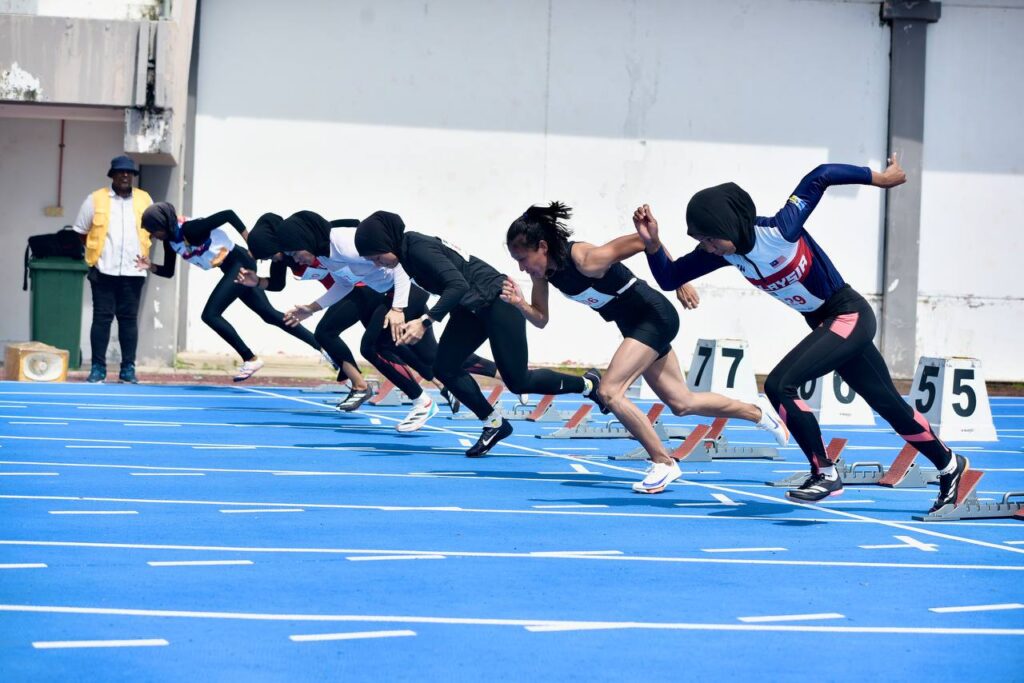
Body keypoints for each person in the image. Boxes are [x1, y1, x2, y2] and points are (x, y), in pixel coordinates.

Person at [636, 156, 969, 512]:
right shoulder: (723, 255)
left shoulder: (780, 230)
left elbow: (821, 176)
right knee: (889, 405)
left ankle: (824, 472)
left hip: (848, 313)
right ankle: (951, 465)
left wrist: (881, 179)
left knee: (779, 384)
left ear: (731, 226)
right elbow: (671, 278)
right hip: (825, 322)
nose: (706, 246)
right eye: (701, 240)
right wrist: (653, 244)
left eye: (710, 238)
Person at [504, 203, 788, 493]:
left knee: (609, 391)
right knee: (682, 403)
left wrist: (677, 279)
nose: (521, 267)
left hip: (653, 317)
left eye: (522, 258)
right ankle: (757, 411)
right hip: (633, 326)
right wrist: (520, 303)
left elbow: (645, 241)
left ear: (542, 246)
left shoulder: (586, 258)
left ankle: (663, 462)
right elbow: (540, 319)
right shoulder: (544, 275)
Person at [354, 210, 607, 456]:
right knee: (444, 367)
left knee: (518, 381)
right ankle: (494, 423)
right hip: (470, 308)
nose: (377, 263)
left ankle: (587, 384)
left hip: (497, 301)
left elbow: (457, 284)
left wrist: (426, 321)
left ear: (388, 242)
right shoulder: (406, 254)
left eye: (377, 256)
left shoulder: (418, 248)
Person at [273, 210, 499, 430]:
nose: (295, 258)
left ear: (304, 238)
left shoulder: (344, 243)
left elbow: (400, 264)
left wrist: (398, 308)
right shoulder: (325, 255)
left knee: (374, 346)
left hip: (407, 290)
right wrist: (312, 308)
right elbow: (345, 283)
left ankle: (422, 402)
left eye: (294, 252)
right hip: (390, 294)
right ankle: (504, 373)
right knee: (433, 355)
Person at [137, 203, 321, 382]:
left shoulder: (190, 229)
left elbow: (228, 214)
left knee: (210, 315)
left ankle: (250, 359)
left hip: (239, 262)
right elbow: (168, 272)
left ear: (165, 224)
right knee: (269, 314)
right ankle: (322, 347)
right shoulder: (171, 243)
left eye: (154, 230)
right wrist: (150, 266)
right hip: (230, 268)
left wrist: (251, 241)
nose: (153, 236)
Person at [72, 155, 153, 383]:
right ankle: (98, 367)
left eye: (129, 172)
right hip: (103, 270)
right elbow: (80, 230)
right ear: (113, 175)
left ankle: (128, 368)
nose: (125, 176)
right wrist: (97, 253)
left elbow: (157, 227)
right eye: (120, 172)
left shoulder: (145, 199)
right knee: (102, 319)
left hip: (134, 270)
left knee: (128, 320)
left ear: (134, 176)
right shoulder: (95, 199)